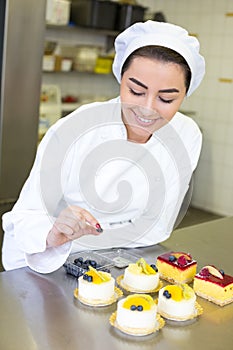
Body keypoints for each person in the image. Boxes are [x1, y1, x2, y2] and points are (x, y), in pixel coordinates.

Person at [1, 20, 205, 273]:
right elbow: (25, 217)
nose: (148, 109)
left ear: (185, 94)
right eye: (135, 91)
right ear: (121, 79)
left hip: (132, 259)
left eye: (166, 98)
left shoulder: (187, 135)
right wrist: (54, 232)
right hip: (55, 260)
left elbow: (158, 223)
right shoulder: (75, 129)